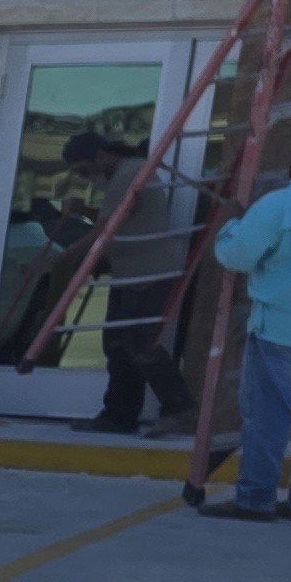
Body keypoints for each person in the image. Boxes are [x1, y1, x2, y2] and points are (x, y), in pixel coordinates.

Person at [200, 125, 291, 520]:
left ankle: (255, 496)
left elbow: (238, 256)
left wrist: (230, 227)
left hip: (280, 327)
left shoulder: (280, 203)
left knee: (268, 415)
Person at [60, 129, 199, 434]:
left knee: (139, 342)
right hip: (131, 272)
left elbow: (104, 230)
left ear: (101, 156)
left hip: (148, 272)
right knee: (118, 345)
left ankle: (181, 410)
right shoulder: (123, 175)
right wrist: (83, 210)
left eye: (84, 170)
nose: (86, 178)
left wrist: (59, 259)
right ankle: (119, 416)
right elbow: (118, 218)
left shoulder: (131, 173)